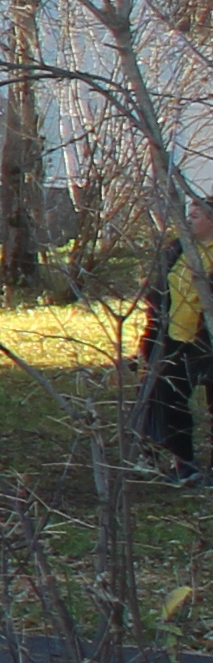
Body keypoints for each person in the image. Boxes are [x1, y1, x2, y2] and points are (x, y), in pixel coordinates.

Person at [149, 193, 213, 481]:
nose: (189, 219)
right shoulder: (180, 248)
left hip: (207, 341)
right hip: (175, 339)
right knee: (168, 399)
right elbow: (159, 289)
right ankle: (184, 463)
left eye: (196, 215)